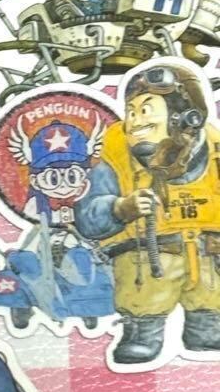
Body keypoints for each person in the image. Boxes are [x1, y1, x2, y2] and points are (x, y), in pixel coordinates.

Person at [76, 63, 220, 363]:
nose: (135, 121)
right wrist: (119, 208)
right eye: (131, 111)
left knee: (212, 296)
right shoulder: (115, 155)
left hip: (209, 257)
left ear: (185, 117)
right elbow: (87, 216)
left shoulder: (214, 149)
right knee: (143, 294)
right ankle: (141, 331)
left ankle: (208, 326)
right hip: (147, 261)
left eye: (146, 110)